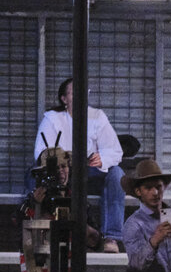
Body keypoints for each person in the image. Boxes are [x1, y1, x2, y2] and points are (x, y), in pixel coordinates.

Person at [34, 78, 125, 253]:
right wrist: (64, 161)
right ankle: (42, 231)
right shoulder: (52, 118)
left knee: (117, 173)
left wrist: (102, 159)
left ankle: (111, 237)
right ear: (64, 98)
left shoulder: (97, 116)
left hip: (88, 172)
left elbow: (115, 151)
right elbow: (41, 154)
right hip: (62, 173)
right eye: (74, 92)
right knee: (33, 176)